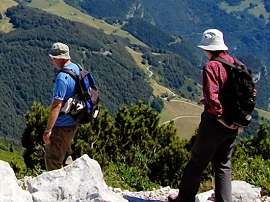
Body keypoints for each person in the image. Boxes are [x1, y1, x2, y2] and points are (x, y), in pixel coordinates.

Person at [168, 29, 239, 202]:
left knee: (198, 162)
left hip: (215, 123)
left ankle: (184, 199)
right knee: (223, 164)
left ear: (208, 48)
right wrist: (235, 122)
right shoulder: (236, 64)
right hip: (235, 122)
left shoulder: (211, 66)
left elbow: (212, 98)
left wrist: (220, 118)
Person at [43, 42, 80, 171]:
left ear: (58, 59)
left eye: (52, 58)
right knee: (64, 151)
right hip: (73, 121)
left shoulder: (62, 78)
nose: (51, 60)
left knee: (52, 158)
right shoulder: (76, 68)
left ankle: (55, 188)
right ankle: (69, 175)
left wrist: (48, 130)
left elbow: (56, 106)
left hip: (61, 125)